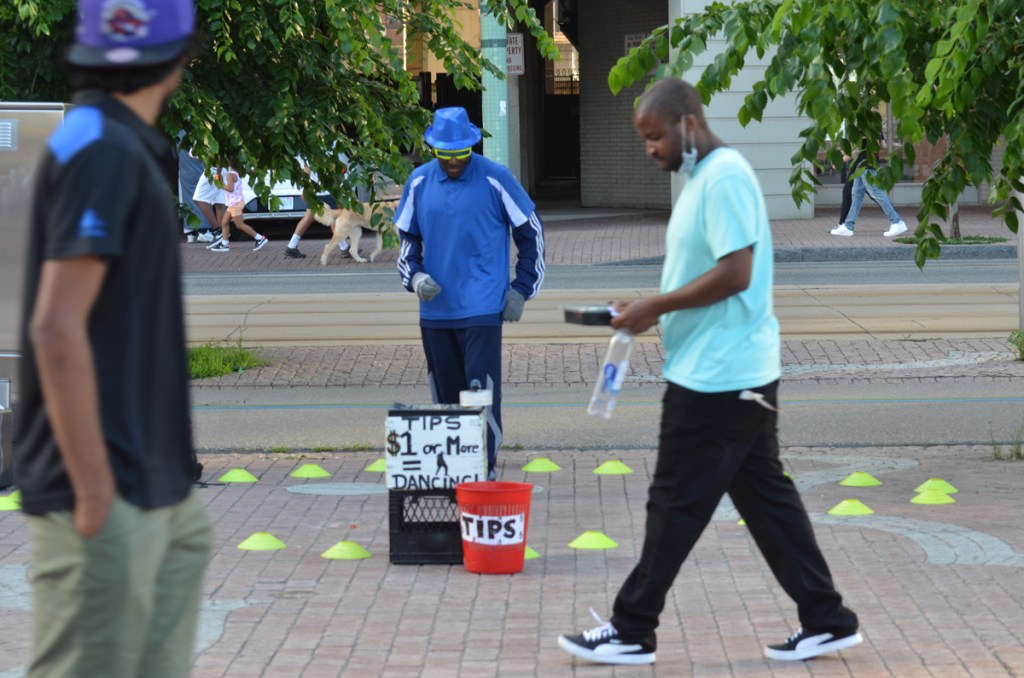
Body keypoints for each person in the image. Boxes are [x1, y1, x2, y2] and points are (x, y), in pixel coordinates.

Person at [557, 78, 860, 666]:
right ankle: (828, 618)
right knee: (767, 501)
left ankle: (631, 628)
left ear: (687, 123)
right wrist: (647, 303)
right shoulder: (705, 180)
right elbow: (705, 271)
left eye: (654, 136)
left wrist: (657, 308)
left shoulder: (722, 177)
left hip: (719, 377)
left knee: (674, 502)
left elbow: (736, 273)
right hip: (726, 369)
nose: (650, 149)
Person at [13, 1, 213, 676]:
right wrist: (95, 489)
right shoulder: (101, 149)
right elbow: (55, 326)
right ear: (181, 54)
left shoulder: (116, 140)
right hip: (106, 489)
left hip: (155, 484)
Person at [395, 107, 545, 479]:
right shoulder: (418, 182)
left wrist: (521, 289)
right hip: (435, 311)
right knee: (445, 398)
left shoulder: (496, 179)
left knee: (480, 396)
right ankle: (452, 471)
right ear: (433, 150)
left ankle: (484, 468)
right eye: (445, 156)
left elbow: (531, 235)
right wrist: (414, 278)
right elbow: (406, 242)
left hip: (482, 308)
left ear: (471, 148)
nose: (453, 163)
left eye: (460, 155)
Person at [831, 136, 907, 237]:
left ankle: (897, 222)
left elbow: (858, 149)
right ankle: (848, 226)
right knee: (856, 195)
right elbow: (882, 144)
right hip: (861, 165)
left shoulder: (865, 123)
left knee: (876, 193)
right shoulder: (874, 124)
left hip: (866, 164)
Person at [209, 162, 269, 252]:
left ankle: (260, 238)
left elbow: (230, 188)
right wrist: (218, 173)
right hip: (234, 202)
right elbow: (221, 180)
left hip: (235, 203)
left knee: (239, 225)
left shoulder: (230, 175)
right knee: (224, 222)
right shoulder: (236, 173)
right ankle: (224, 244)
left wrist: (220, 185)